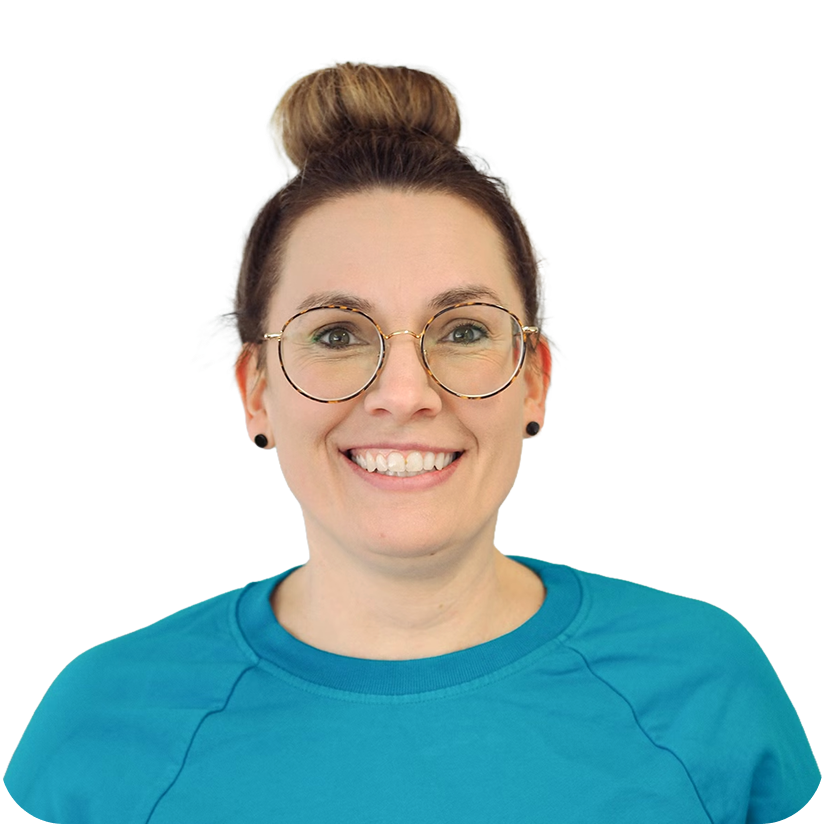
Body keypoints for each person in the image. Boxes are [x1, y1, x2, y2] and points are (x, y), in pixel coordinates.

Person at [4, 58, 818, 823]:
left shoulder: (708, 683)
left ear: (534, 378)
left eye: (463, 331)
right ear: (254, 389)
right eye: (336, 335)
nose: (404, 395)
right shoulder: (102, 721)